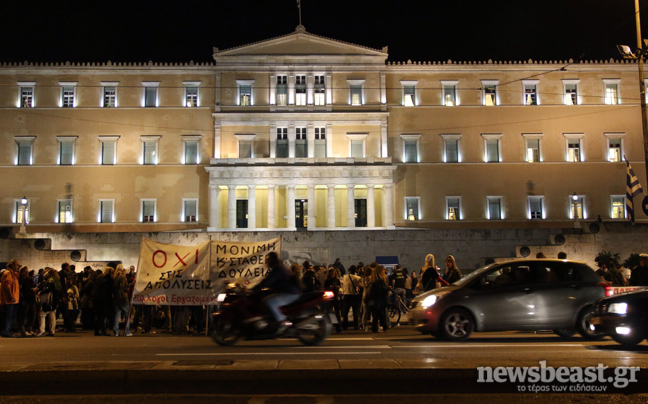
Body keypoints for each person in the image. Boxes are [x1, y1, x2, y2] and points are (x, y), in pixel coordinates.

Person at [252, 252, 302, 333]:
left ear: (272, 260)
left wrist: (253, 290)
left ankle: (282, 321)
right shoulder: (278, 268)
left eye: (268, 260)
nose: (266, 262)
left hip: (290, 293)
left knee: (270, 302)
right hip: (287, 292)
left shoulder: (278, 269)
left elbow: (267, 281)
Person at [36, 268, 62, 336]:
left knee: (41, 314)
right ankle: (52, 330)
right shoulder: (58, 281)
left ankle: (41, 330)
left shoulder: (50, 280)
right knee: (52, 314)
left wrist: (41, 292)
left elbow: (49, 289)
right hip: (55, 300)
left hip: (49, 300)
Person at [1, 260, 21, 337]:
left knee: (10, 316)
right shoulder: (8, 273)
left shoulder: (12, 274)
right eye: (17, 265)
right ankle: (6, 331)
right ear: (12, 265)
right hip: (9, 300)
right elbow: (7, 286)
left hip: (12, 300)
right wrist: (11, 296)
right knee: (8, 316)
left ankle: (7, 330)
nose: (18, 266)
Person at [367, 265, 389, 333]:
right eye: (383, 269)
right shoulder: (379, 279)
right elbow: (381, 289)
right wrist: (388, 288)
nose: (384, 270)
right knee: (377, 314)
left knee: (379, 313)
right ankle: (375, 328)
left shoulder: (375, 279)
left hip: (376, 298)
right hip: (379, 299)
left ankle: (384, 326)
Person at [341, 266, 362, 330]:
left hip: (346, 295)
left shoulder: (345, 277)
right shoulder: (358, 278)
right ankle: (356, 326)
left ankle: (345, 325)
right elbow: (361, 286)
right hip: (354, 295)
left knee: (345, 312)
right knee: (355, 311)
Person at [18, 266, 37, 336]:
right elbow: (20, 290)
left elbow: (32, 287)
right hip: (25, 299)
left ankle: (30, 329)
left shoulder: (29, 279)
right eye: (25, 272)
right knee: (23, 315)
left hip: (31, 299)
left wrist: (34, 289)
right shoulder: (19, 280)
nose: (26, 273)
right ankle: (23, 330)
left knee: (32, 315)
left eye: (27, 271)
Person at [324, 268, 342, 333]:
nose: (333, 275)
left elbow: (339, 286)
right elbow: (325, 289)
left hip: (335, 296)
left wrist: (338, 287)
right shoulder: (327, 280)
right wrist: (330, 288)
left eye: (334, 274)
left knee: (337, 312)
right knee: (330, 312)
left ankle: (338, 327)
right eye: (332, 274)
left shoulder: (337, 280)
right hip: (329, 297)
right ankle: (332, 325)